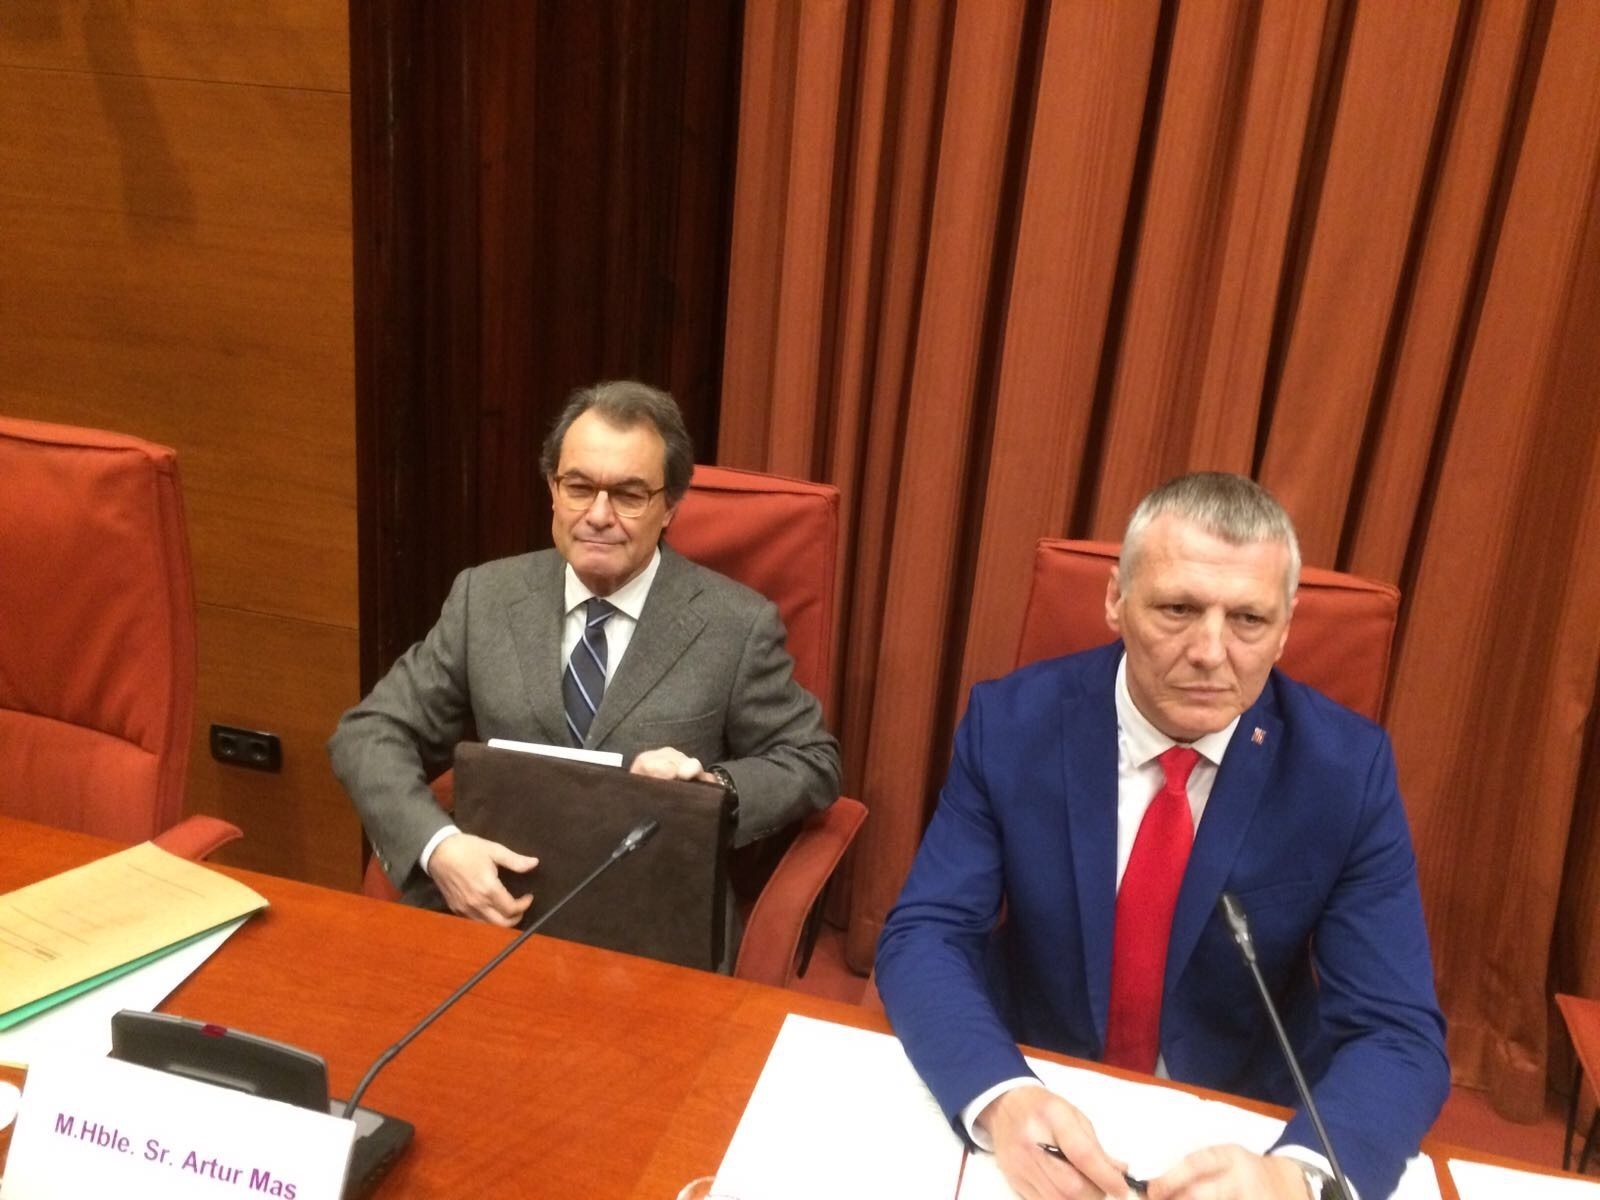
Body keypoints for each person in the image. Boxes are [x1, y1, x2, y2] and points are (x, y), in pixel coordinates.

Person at [876, 472, 1447, 1200]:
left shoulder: (1344, 772)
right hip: (1040, 1082)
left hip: (1240, 1123)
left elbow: (1398, 1033)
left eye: (1249, 619)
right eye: (1179, 609)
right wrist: (999, 1096)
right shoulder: (1012, 724)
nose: (1210, 651)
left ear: (1286, 626)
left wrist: (1295, 1180)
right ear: (1116, 599)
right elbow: (925, 933)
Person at [330, 380, 840, 929]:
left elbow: (812, 760)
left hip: (651, 922)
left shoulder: (735, 625)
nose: (598, 515)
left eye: (628, 495)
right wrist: (440, 847)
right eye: (579, 487)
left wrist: (716, 787)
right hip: (490, 907)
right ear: (553, 490)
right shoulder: (486, 597)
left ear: (669, 506)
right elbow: (370, 732)